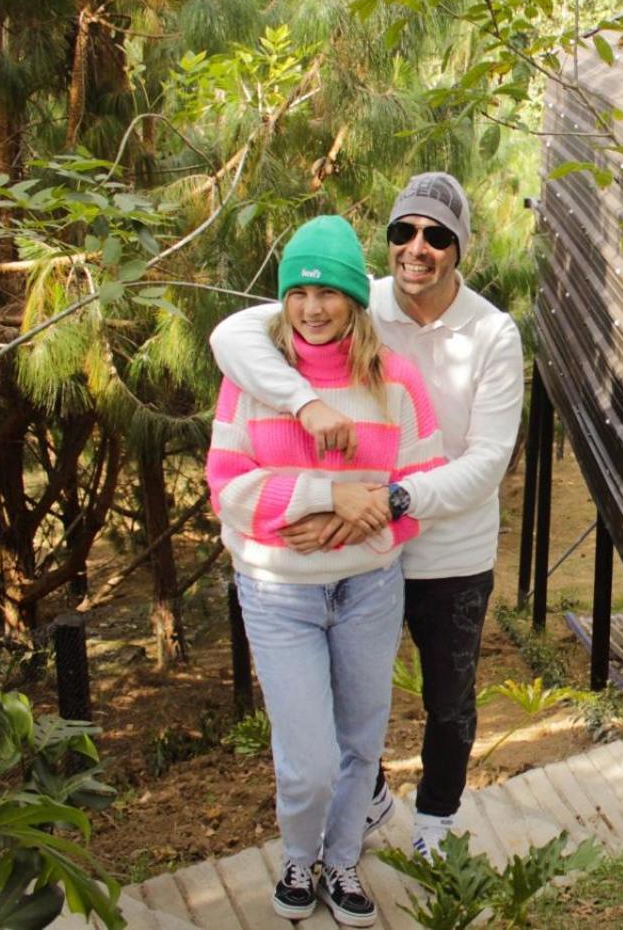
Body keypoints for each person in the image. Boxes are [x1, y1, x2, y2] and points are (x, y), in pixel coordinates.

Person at [209, 172, 524, 858]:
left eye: (436, 236)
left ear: (459, 248)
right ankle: (369, 796)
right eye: (403, 232)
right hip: (358, 554)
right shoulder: (356, 301)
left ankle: (436, 820)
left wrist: (391, 501)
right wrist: (304, 403)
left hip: (447, 547)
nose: (417, 248)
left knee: (448, 700)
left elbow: (488, 458)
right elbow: (233, 336)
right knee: (350, 703)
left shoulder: (494, 334)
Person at [206, 214, 445, 926]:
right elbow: (228, 487)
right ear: (283, 300)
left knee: (360, 740)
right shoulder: (256, 382)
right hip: (279, 593)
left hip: (370, 586)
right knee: (307, 756)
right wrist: (323, 494)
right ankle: (297, 852)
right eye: (299, 294)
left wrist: (367, 516)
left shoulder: (396, 382)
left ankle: (340, 860)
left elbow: (423, 484)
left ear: (354, 300)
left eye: (329, 294)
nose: (313, 309)